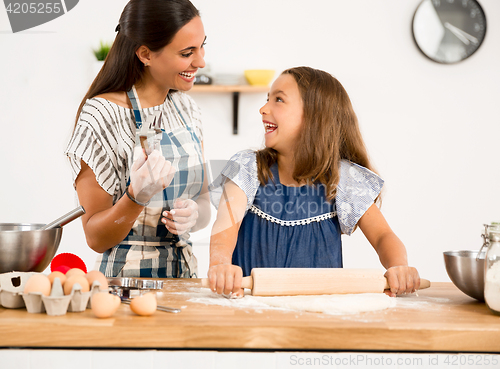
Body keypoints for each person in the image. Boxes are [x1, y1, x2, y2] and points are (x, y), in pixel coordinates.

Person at [207, 66, 420, 297]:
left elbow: (382, 236)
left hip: (320, 314)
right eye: (267, 99)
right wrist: (220, 265)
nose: (263, 108)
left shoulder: (342, 179)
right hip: (251, 309)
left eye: (278, 99)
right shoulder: (247, 168)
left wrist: (398, 267)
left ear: (313, 116)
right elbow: (225, 226)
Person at [65, 0, 210, 278]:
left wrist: (194, 215)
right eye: (187, 52)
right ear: (145, 54)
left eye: (203, 46)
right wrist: (137, 196)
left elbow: (203, 199)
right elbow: (95, 237)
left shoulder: (187, 109)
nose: (201, 61)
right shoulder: (102, 116)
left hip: (185, 281)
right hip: (126, 285)